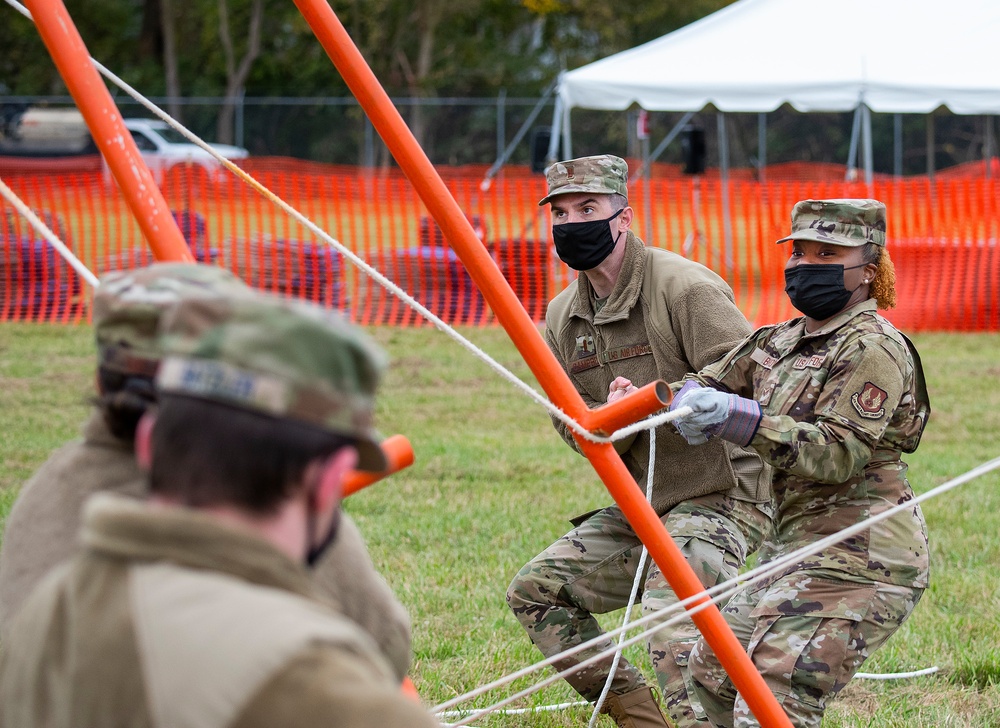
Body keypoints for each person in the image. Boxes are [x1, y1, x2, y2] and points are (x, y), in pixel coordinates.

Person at [0, 288, 440, 728]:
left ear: (149, 444)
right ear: (328, 481)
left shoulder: (43, 618)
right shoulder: (314, 684)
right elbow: (386, 644)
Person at [506, 155, 774, 728]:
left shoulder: (685, 287)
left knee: (673, 614)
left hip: (727, 495)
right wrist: (605, 417)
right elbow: (569, 425)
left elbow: (756, 381)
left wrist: (672, 400)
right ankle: (641, 721)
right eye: (560, 212)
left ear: (623, 217)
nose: (572, 222)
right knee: (535, 590)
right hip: (645, 504)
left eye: (588, 209)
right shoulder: (561, 316)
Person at [671, 199, 930, 728]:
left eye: (828, 253)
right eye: (800, 252)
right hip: (791, 549)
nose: (807, 264)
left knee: (773, 699)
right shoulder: (778, 341)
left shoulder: (873, 347)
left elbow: (839, 453)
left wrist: (741, 420)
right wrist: (664, 400)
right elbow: (710, 383)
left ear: (869, 270)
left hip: (862, 560)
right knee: (711, 674)